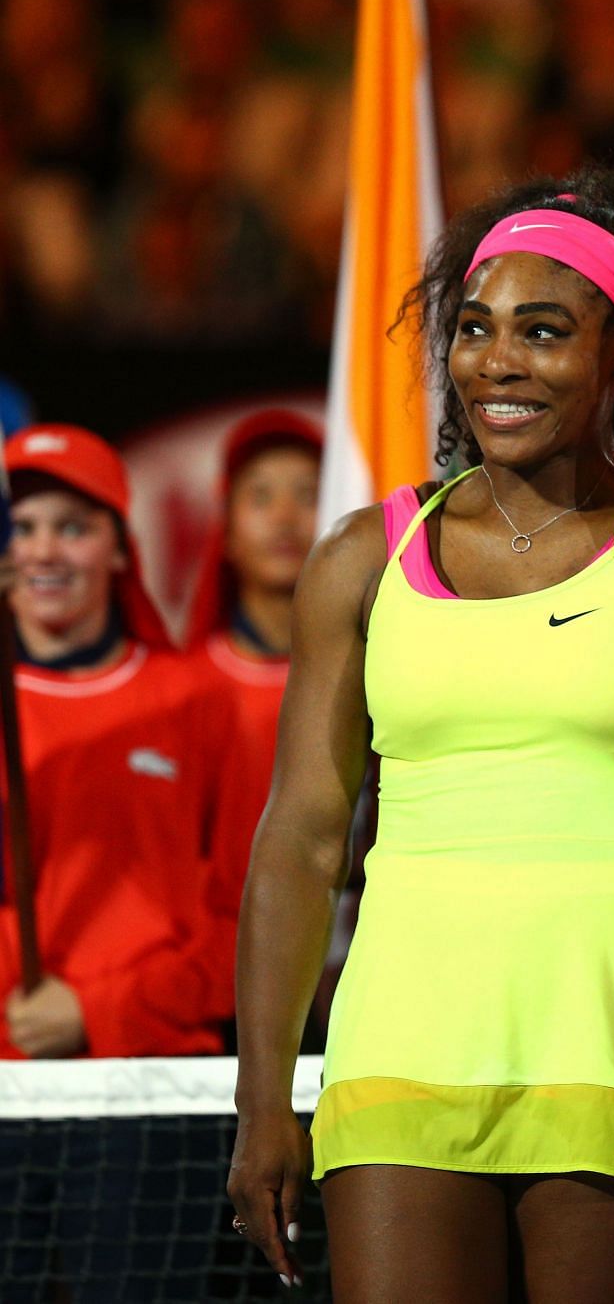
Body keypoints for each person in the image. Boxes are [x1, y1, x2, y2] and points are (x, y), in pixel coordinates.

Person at [228, 57, 614, 1300]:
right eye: (474, 328)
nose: (498, 363)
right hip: (399, 1034)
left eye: (543, 331)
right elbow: (301, 841)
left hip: (610, 1030)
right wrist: (264, 1102)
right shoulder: (367, 553)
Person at [0, 423, 243, 1300]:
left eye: (72, 525)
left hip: (147, 1091)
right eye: (22, 528)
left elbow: (243, 926)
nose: (42, 550)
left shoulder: (194, 702)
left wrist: (98, 1010)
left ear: (117, 549)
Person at [182, 408, 323, 1034]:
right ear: (227, 531)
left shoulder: (383, 686)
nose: (287, 517)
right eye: (261, 496)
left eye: (310, 495)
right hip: (216, 1003)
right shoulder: (184, 690)